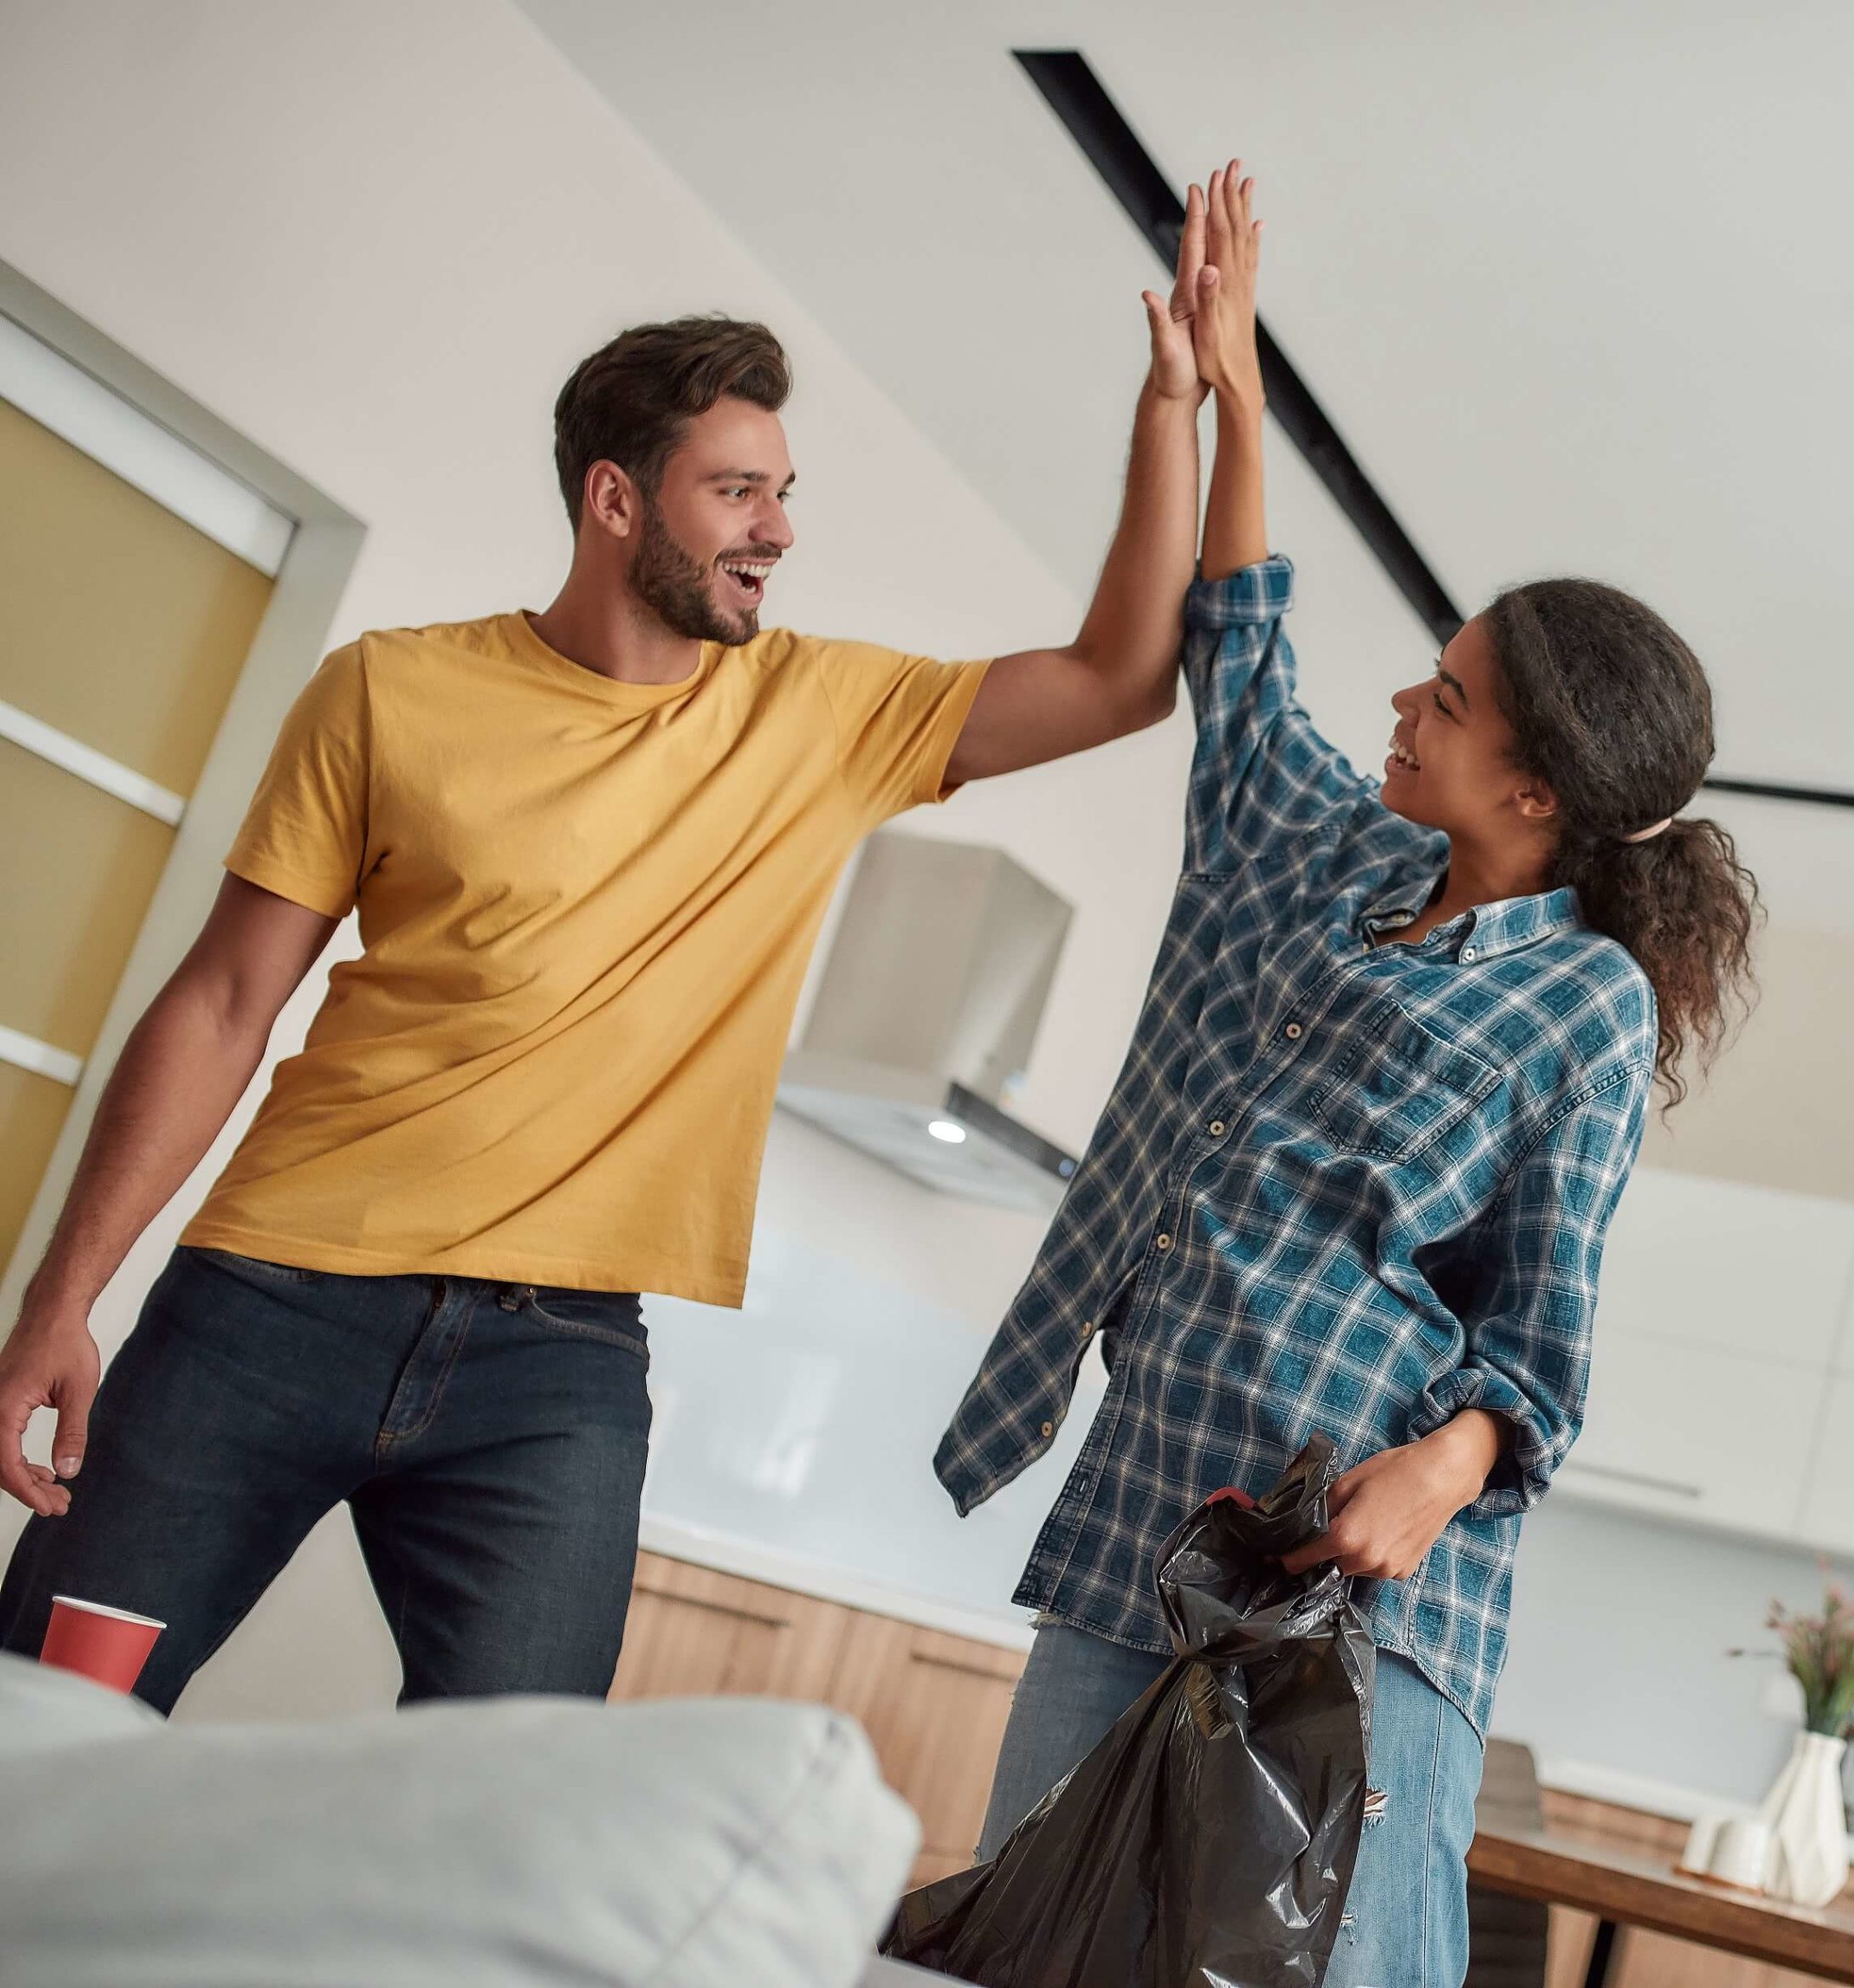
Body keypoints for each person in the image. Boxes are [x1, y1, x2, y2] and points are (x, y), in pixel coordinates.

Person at [0, 190, 1234, 1710]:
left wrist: (1177, 403)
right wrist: (62, 1297)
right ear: (616, 499)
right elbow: (225, 999)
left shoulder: (823, 715)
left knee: (513, 1818)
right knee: (43, 1723)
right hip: (273, 1299)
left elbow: (1123, 677)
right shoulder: (390, 690)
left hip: (557, 1367)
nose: (779, 529)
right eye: (736, 491)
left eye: (783, 491)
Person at [936, 165, 1761, 1986]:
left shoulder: (1581, 1012)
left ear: (1534, 792)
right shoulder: (1326, 858)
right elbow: (1242, 648)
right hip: (1135, 1535)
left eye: (1449, 700)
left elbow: (1536, 1354)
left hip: (1351, 1617)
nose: (1407, 702)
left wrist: (1446, 1466)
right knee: (1022, 1964)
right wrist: (1233, 385)